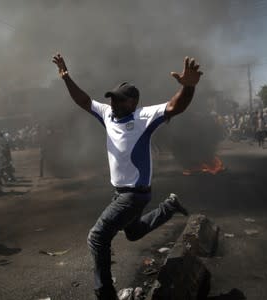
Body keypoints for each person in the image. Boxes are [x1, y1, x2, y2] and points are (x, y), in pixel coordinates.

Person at [53, 53, 202, 299]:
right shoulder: (108, 114)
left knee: (98, 236)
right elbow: (84, 101)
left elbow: (176, 105)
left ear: (132, 102)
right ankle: (169, 207)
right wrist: (66, 77)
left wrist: (188, 87)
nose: (113, 104)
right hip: (120, 193)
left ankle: (105, 293)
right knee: (133, 232)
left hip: (134, 194)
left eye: (119, 100)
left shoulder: (144, 116)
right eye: (112, 99)